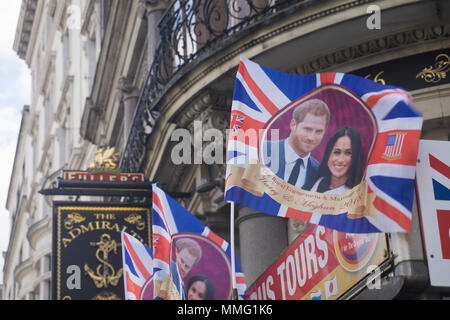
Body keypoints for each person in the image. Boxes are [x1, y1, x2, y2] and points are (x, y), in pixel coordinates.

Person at [263, 98, 330, 190]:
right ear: (293, 125)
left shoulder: (320, 174)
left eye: (318, 131)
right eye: (308, 129)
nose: (311, 137)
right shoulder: (262, 150)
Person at [312, 126, 363, 193]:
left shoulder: (355, 193)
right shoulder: (319, 182)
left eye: (348, 153)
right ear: (328, 154)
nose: (340, 160)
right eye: (337, 152)